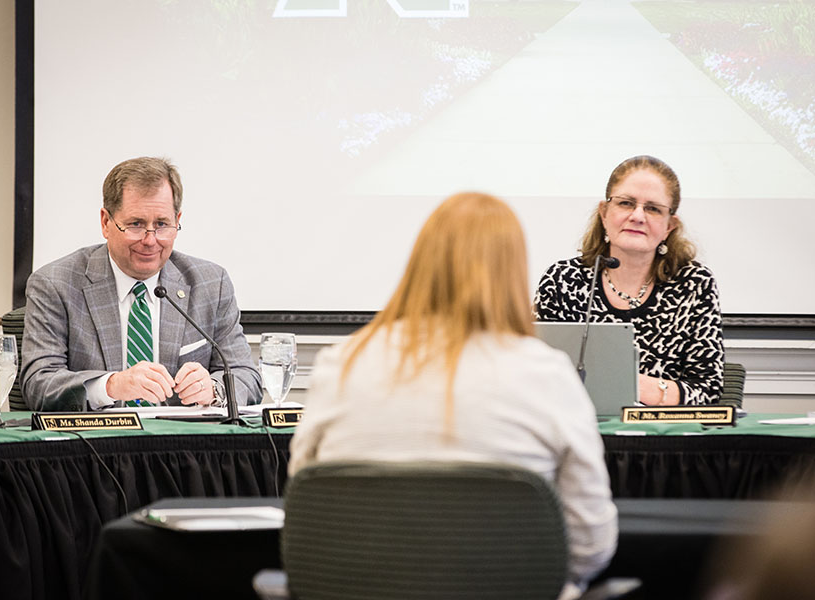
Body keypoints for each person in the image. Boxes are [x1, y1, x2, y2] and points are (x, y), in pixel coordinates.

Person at [289, 192, 617, 598]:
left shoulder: (343, 364)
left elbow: (306, 503)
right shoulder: (548, 374)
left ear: (421, 262)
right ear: (513, 272)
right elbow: (590, 545)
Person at [22, 157, 262, 411]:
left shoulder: (212, 284)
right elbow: (38, 383)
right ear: (106, 222)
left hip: (183, 446)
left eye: (161, 224)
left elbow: (247, 377)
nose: (150, 240)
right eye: (136, 224)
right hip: (95, 444)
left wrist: (213, 390)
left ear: (177, 219)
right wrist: (110, 386)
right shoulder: (55, 284)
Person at [534, 155, 724, 406]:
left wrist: (628, 385)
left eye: (653, 208)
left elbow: (708, 391)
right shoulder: (562, 280)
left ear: (669, 226)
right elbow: (535, 379)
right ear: (604, 213)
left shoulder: (695, 283)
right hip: (578, 435)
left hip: (664, 438)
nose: (637, 216)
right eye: (625, 203)